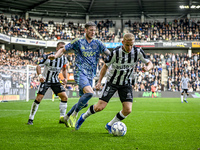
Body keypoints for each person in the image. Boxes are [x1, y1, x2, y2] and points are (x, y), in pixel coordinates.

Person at [75, 33, 153, 133]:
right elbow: (105, 67)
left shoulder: (138, 51)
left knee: (127, 110)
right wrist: (99, 82)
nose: (129, 48)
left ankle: (110, 125)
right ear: (123, 42)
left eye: (131, 45)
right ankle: (83, 117)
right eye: (127, 45)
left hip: (126, 83)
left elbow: (149, 63)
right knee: (99, 107)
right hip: (112, 82)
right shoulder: (116, 52)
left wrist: (147, 68)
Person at [48, 22, 110, 127]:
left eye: (94, 30)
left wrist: (118, 57)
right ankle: (74, 114)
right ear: (85, 30)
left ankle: (66, 117)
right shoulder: (78, 42)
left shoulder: (98, 43)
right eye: (90, 30)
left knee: (85, 103)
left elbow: (108, 53)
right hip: (80, 72)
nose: (93, 32)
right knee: (90, 93)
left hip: (90, 74)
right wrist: (55, 56)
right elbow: (63, 49)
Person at [27, 42, 68, 125]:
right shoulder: (49, 57)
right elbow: (38, 66)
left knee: (64, 97)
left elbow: (64, 69)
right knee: (39, 98)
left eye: (63, 48)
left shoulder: (64, 59)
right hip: (45, 80)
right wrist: (40, 76)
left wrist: (65, 78)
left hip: (55, 80)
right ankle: (31, 118)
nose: (62, 49)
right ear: (57, 49)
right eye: (60, 47)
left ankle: (62, 118)